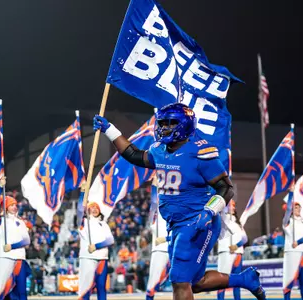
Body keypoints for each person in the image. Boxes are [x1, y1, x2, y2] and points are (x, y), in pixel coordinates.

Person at [93, 103, 265, 300]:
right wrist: (109, 130)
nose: (164, 128)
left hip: (197, 221)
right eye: (162, 123)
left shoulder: (199, 153)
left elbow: (226, 188)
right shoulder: (160, 150)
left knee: (179, 281)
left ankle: (245, 280)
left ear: (185, 125)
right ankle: (246, 280)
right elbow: (134, 155)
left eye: (171, 123)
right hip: (176, 224)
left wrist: (209, 212)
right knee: (195, 282)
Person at [0, 177, 31, 300]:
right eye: (11, 204)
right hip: (4, 258)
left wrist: (12, 246)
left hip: (19, 259)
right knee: (1, 292)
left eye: (15, 204)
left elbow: (27, 240)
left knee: (21, 294)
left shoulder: (21, 222)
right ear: (5, 207)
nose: (14, 207)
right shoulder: (0, 221)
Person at [78, 202, 114, 300]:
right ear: (87, 210)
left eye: (96, 207)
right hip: (88, 258)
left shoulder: (104, 224)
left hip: (102, 258)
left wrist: (96, 246)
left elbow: (110, 240)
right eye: (92, 207)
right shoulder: (83, 221)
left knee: (101, 287)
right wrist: (82, 193)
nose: (94, 209)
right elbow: (80, 210)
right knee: (86, 288)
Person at [283, 202, 303, 300]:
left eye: (299, 207)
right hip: (292, 253)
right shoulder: (287, 222)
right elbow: (288, 210)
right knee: (289, 281)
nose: (298, 209)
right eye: (295, 208)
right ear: (291, 210)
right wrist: (291, 193)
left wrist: (299, 242)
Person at [216, 200, 246, 300]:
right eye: (229, 205)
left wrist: (236, 246)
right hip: (225, 253)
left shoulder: (238, 223)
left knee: (237, 283)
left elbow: (245, 239)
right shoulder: (221, 218)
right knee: (221, 282)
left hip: (237, 254)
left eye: (233, 205)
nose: (231, 207)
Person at [146, 205, 170, 300]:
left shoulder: (173, 210)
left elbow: (181, 232)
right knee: (152, 284)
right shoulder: (156, 213)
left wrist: (165, 239)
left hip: (168, 251)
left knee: (182, 284)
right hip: (157, 251)